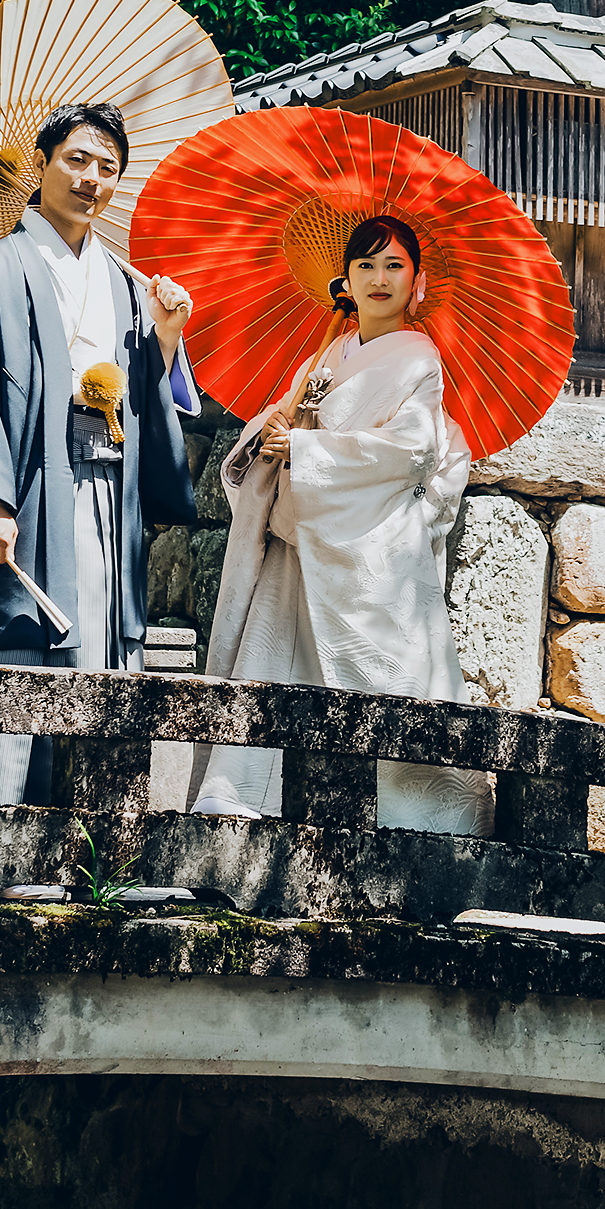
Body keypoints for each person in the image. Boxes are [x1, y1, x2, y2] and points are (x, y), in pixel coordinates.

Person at [0, 101, 199, 805]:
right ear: (42, 166)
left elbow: (145, 393)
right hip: (31, 487)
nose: (92, 179)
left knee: (105, 645)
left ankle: (91, 850)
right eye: (77, 160)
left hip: (108, 487)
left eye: (109, 168)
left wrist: (165, 338)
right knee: (23, 637)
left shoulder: (122, 281)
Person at [189, 215, 491, 835]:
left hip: (367, 555)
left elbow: (410, 453)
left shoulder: (419, 361)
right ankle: (242, 809)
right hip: (298, 550)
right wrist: (273, 436)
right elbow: (277, 428)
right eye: (365, 266)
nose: (379, 278)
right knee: (272, 675)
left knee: (379, 690)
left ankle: (404, 822)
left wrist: (307, 450)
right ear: (345, 282)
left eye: (394, 266)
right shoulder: (322, 358)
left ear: (417, 282)